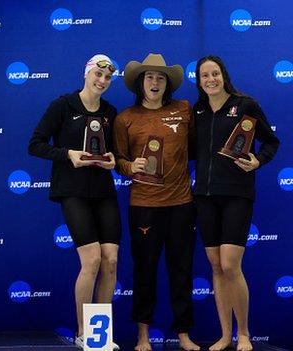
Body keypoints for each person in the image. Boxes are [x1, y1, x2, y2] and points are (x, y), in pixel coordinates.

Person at [29, 54, 120, 349]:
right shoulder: (63, 105)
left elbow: (115, 153)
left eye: (107, 78)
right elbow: (36, 144)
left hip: (104, 192)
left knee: (111, 262)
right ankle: (85, 334)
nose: (102, 81)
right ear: (87, 73)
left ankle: (100, 336)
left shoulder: (110, 111)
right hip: (72, 191)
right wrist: (68, 155)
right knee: (92, 260)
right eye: (98, 75)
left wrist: (112, 161)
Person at [112, 53, 199, 351]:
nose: (155, 82)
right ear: (140, 82)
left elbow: (200, 146)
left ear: (168, 84)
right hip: (144, 206)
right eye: (149, 76)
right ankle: (143, 337)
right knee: (144, 271)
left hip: (181, 204)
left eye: (160, 77)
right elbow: (118, 160)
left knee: (182, 270)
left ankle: (184, 334)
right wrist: (129, 167)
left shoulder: (184, 110)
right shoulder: (125, 118)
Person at [193, 56, 279, 351]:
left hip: (236, 195)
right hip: (203, 197)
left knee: (230, 265)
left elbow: (271, 142)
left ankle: (244, 334)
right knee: (216, 266)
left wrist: (259, 160)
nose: (210, 79)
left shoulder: (246, 105)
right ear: (199, 81)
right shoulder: (198, 110)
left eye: (214, 73)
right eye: (204, 76)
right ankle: (224, 335)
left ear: (223, 75)